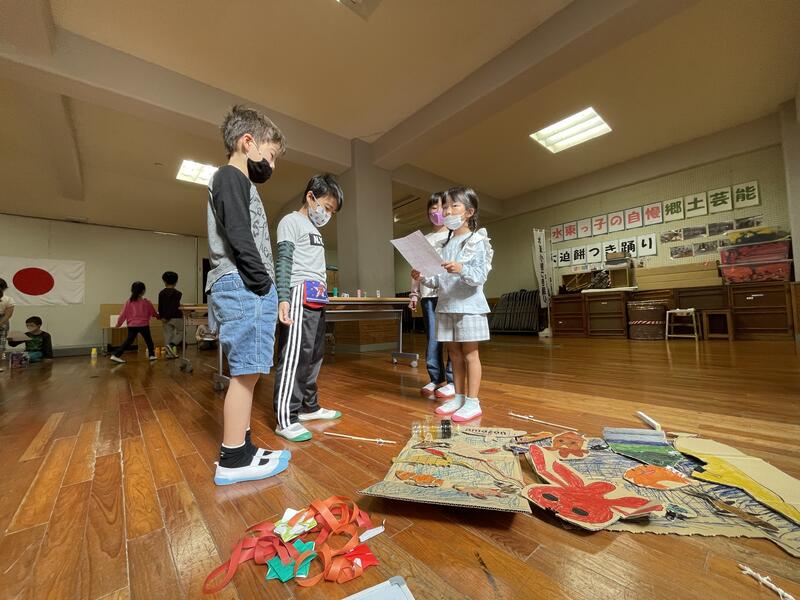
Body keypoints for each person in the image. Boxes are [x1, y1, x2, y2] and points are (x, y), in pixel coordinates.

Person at [206, 104, 290, 485]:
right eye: (270, 155)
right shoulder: (229, 176)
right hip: (244, 284)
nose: (271, 165)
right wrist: (264, 284)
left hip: (246, 283)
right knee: (245, 375)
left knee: (250, 372)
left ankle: (243, 445)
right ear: (248, 142)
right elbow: (239, 234)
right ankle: (233, 458)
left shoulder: (241, 183)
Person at [272, 174, 344, 442]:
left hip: (318, 295)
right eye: (326, 207)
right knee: (295, 356)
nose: (327, 214)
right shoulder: (290, 221)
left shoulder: (314, 229)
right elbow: (284, 261)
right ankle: (285, 418)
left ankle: (308, 407)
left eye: (332, 211)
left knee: (314, 355)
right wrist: (283, 298)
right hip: (299, 292)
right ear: (311, 197)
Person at [413, 186, 493, 422]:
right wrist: (422, 277)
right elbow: (438, 281)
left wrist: (461, 268)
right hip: (446, 305)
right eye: (445, 207)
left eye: (454, 206)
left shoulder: (477, 240)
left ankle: (473, 402)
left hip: (469, 306)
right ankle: (458, 397)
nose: (447, 211)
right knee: (454, 354)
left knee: (470, 354)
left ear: (469, 212)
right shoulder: (446, 244)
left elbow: (479, 276)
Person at [408, 192, 455, 401]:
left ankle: (453, 380)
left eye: (441, 208)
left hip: (448, 293)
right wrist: (414, 293)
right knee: (433, 339)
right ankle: (436, 378)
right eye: (433, 208)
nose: (437, 212)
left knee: (451, 338)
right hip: (428, 294)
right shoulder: (424, 240)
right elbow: (415, 269)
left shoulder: (453, 236)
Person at [110, 281, 159, 363]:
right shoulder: (146, 302)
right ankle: (151, 355)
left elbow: (123, 314)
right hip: (144, 325)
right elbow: (153, 313)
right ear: (143, 291)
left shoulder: (128, 302)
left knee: (129, 341)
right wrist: (158, 316)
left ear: (132, 290)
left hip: (132, 325)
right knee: (148, 340)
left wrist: (118, 324)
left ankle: (116, 355)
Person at [158, 271, 183, 358]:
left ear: (164, 281)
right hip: (177, 317)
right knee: (182, 332)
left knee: (167, 335)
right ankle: (172, 345)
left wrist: (162, 317)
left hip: (165, 318)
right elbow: (173, 306)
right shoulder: (178, 293)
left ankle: (168, 354)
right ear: (176, 282)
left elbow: (160, 307)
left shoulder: (161, 293)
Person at [0, 278, 13, 372]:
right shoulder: (8, 299)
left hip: (2, 322)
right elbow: (8, 315)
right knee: (1, 346)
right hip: (3, 322)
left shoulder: (7, 299)